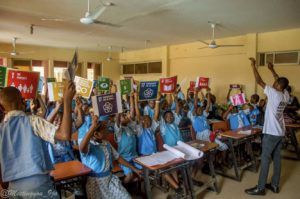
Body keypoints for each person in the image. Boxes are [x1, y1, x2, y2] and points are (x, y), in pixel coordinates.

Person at [0, 81, 75, 198]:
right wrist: (67, 101)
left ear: (3, 108)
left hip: (13, 187)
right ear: (22, 101)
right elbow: (65, 135)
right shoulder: (33, 121)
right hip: (37, 185)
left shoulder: (1, 129)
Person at [245, 59, 289, 195]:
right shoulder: (286, 95)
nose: (273, 83)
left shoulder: (274, 93)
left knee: (265, 159)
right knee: (276, 159)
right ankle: (275, 185)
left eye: (275, 83)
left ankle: (260, 187)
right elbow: (280, 80)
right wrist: (272, 70)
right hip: (280, 132)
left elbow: (259, 81)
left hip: (271, 133)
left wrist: (253, 66)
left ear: (277, 86)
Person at [79, 115, 141, 199]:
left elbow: (118, 158)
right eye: (104, 129)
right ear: (96, 134)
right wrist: (92, 127)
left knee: (126, 197)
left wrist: (134, 169)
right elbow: (82, 148)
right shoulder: (89, 146)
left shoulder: (106, 143)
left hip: (109, 179)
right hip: (96, 183)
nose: (107, 131)